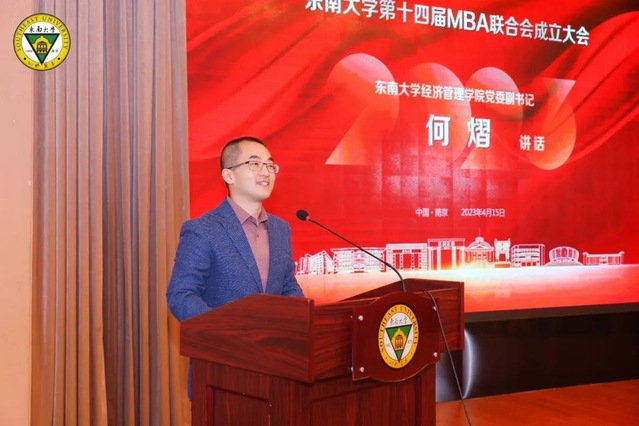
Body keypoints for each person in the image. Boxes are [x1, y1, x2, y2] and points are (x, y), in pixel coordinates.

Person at [166, 136, 304, 322]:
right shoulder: (202, 230)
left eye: (270, 165)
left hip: (276, 340)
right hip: (222, 339)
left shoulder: (281, 229)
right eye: (254, 164)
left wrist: (305, 321)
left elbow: (288, 286)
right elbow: (181, 295)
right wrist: (225, 330)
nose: (266, 172)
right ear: (229, 176)